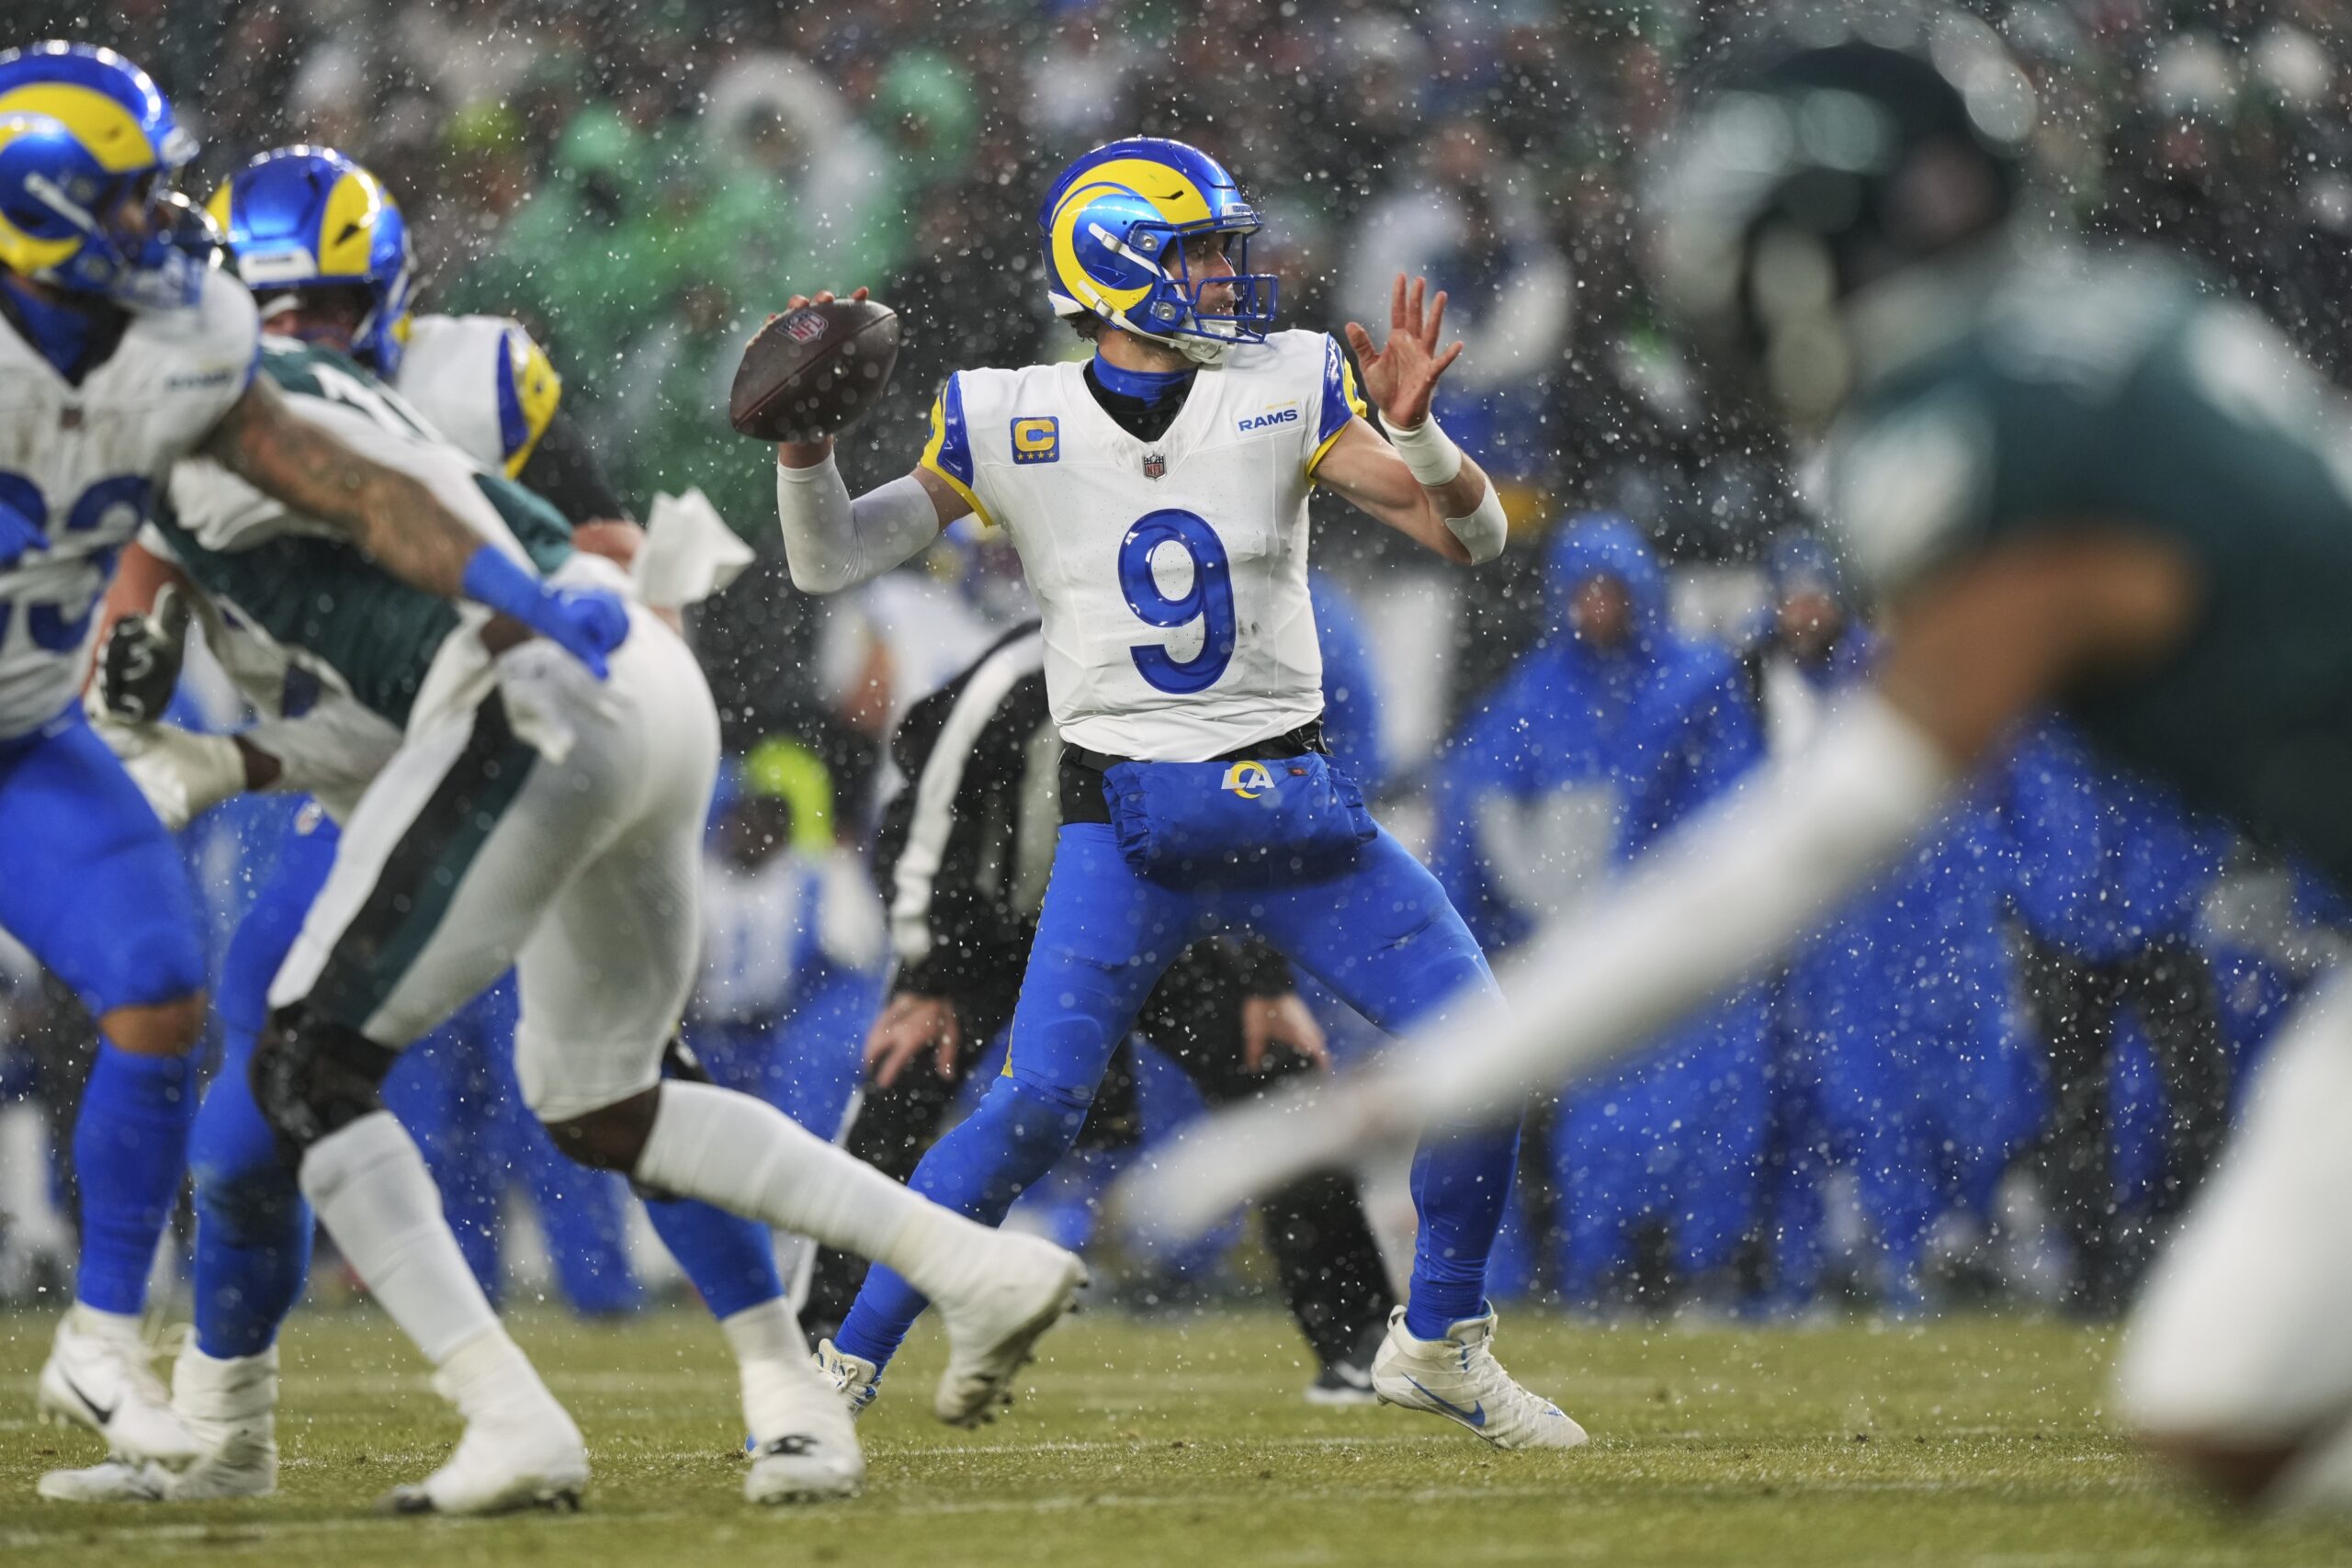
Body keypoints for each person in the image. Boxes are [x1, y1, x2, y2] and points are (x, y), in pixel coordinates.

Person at [1121, 15, 2352, 1510]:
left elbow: (1803, 849)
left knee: (2227, 1407)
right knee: (2223, 1418)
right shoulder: (2124, 323)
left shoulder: (1995, 432)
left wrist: (1409, 1094)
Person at [37, 192, 1085, 1515]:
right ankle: (969, 1264)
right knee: (580, 1098)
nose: (304, 327)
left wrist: (516, 612)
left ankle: (614, 1402)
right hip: (518, 720)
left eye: (329, 302)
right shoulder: (178, 424)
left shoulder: (266, 392)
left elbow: (424, 526)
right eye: (278, 301)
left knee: (319, 1066)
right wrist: (204, 737)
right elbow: (207, 645)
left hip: (522, 706)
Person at [773, 136, 1580, 1451]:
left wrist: (1423, 437)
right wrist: (805, 456)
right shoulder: (1011, 417)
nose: (1226, 275)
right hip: (1123, 819)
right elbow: (835, 558)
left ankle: (1437, 1341)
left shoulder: (1283, 382)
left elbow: (1471, 536)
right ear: (1117, 266)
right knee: (1032, 1106)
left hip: (1290, 810)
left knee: (1487, 1057)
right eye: (1199, 250)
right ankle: (839, 1370)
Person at [0, 40, 603, 1472]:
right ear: (44, 206)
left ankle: (97, 1345)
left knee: (157, 988)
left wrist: (517, 588)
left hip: (22, 730)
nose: (160, 226)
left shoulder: (183, 333)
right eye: (131, 200)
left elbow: (340, 479)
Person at [807, 617, 1398, 1401]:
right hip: (992, 929)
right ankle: (819, 1341)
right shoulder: (1011, 677)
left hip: (1141, 923)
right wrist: (926, 972)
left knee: (1276, 1070)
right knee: (899, 1081)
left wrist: (1266, 981)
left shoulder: (1196, 682)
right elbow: (920, 823)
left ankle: (1358, 1339)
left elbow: (1249, 824)